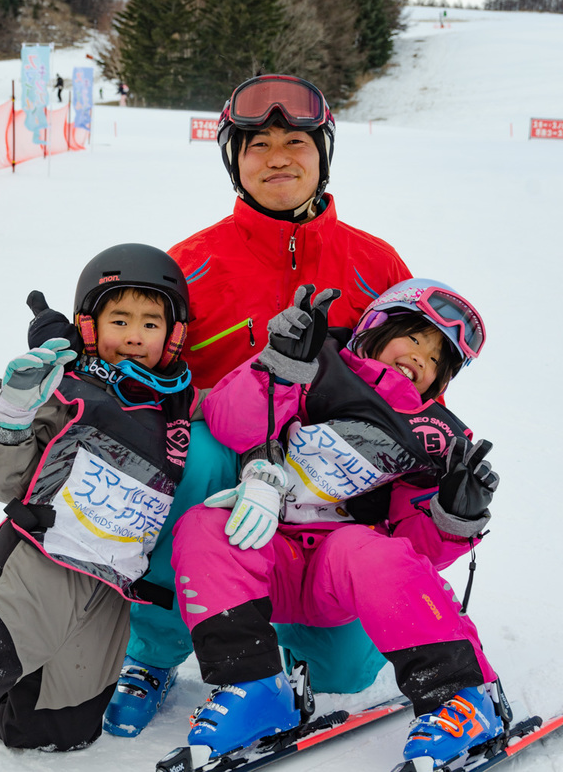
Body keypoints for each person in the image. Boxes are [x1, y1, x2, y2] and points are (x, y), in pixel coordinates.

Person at [26, 75, 412, 739]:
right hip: (220, 469)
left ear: (323, 154)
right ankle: (154, 649)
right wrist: (77, 352)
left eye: (296, 141)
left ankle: (288, 637)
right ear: (234, 158)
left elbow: (416, 397)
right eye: (257, 144)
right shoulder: (192, 265)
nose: (279, 157)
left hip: (326, 487)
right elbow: (129, 375)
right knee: (188, 451)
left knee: (343, 675)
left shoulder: (377, 266)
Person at [173, 278, 503, 770]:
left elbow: (417, 550)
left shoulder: (437, 436)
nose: (422, 358)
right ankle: (254, 686)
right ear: (377, 324)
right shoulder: (315, 361)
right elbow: (232, 423)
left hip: (341, 574)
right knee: (206, 527)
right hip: (268, 552)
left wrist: (454, 517)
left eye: (438, 358)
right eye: (414, 337)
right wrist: (279, 368)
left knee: (371, 551)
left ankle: (461, 697)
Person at [0, 244, 211, 752]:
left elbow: (250, 412)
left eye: (150, 323)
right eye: (119, 319)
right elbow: (1, 483)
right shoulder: (68, 388)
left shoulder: (181, 407)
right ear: (90, 328)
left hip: (109, 591)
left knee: (55, 734)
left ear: (174, 335)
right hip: (40, 564)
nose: (134, 336)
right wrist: (13, 413)